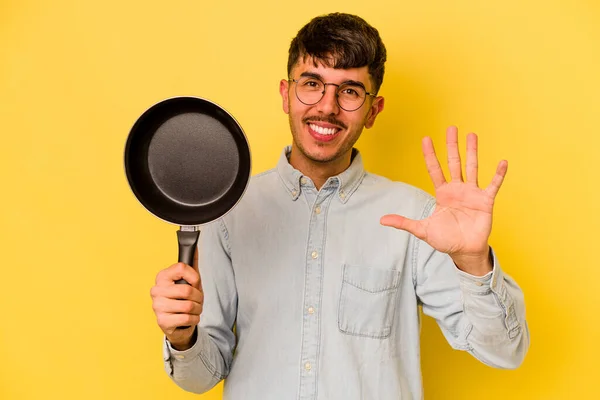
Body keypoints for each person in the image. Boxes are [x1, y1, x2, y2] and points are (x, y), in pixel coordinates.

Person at [150, 12, 529, 400]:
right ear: (286, 93)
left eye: (349, 91)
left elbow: (503, 351)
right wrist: (183, 337)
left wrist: (473, 263)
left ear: (373, 111)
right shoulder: (228, 211)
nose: (327, 107)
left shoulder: (418, 219)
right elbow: (200, 377)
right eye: (312, 84)